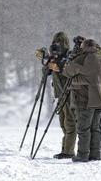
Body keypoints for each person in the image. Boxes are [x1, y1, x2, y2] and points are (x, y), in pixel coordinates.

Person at [49, 38, 101, 162]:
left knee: (83, 128)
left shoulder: (83, 58)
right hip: (99, 98)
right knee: (95, 128)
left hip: (85, 99)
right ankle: (95, 155)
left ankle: (82, 155)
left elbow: (67, 71)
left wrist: (74, 57)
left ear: (84, 48)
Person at [36, 31, 77, 159]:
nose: (57, 45)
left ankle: (68, 151)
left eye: (59, 43)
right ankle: (66, 149)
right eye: (55, 43)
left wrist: (58, 66)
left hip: (69, 93)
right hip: (60, 94)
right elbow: (46, 72)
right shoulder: (55, 57)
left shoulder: (70, 56)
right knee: (63, 124)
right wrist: (47, 62)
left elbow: (70, 72)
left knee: (70, 123)